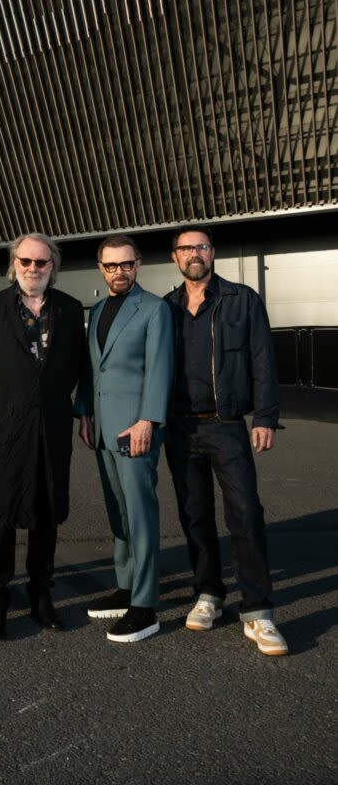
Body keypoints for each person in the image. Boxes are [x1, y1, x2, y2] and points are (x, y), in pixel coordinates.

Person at [164, 226, 288, 656]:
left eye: (200, 246)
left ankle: (257, 610)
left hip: (228, 424)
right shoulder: (166, 308)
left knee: (245, 514)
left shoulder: (241, 299)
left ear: (212, 252)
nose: (194, 254)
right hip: (180, 428)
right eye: (186, 248)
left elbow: (262, 359)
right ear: (175, 257)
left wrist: (265, 416)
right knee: (194, 516)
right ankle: (209, 594)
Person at [0, 233, 87, 640]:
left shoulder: (72, 310)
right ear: (14, 264)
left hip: (51, 429)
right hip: (5, 429)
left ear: (52, 266)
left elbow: (82, 367)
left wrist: (82, 412)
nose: (33, 269)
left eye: (41, 262)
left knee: (47, 514)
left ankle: (41, 594)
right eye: (25, 262)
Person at [75, 235, 173, 643]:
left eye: (127, 264)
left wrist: (148, 419)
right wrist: (84, 411)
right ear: (101, 268)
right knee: (117, 510)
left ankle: (145, 603)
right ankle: (126, 585)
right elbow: (91, 367)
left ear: (138, 265)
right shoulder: (97, 309)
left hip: (135, 428)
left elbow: (160, 368)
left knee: (140, 512)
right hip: (102, 426)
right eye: (112, 266)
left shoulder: (154, 308)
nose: (120, 272)